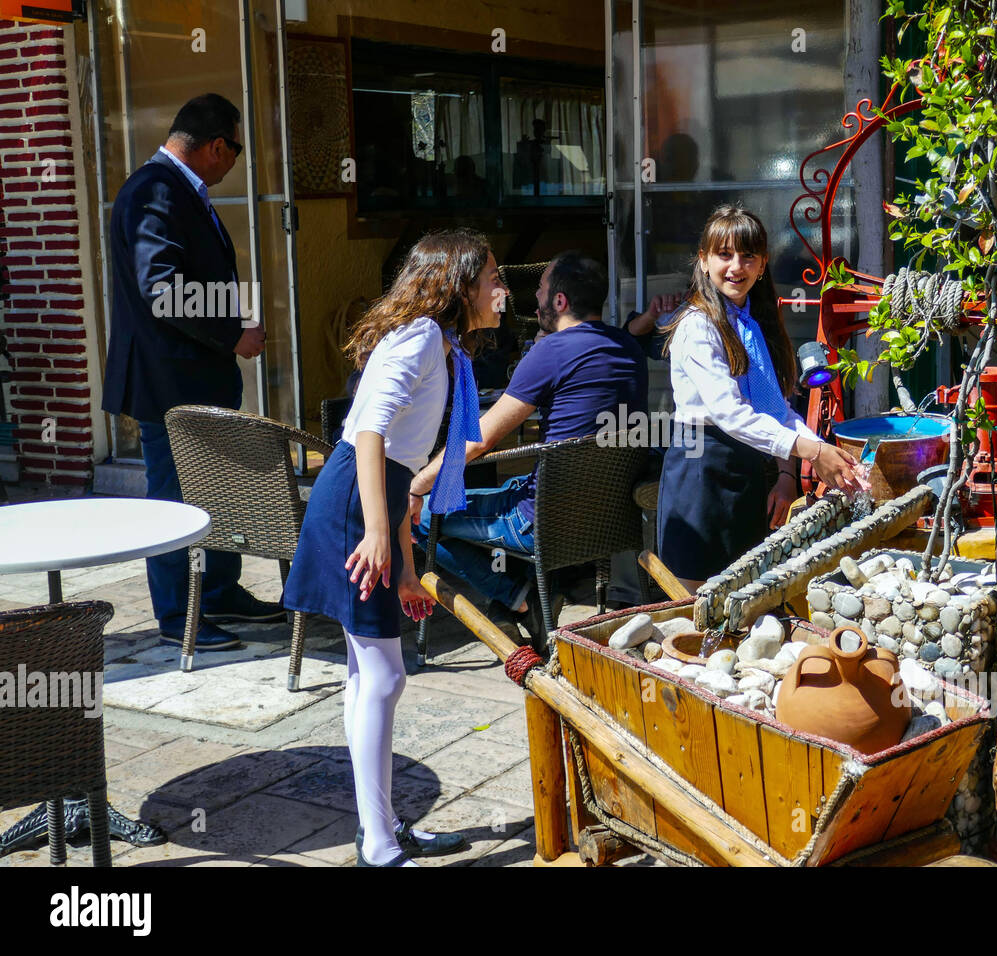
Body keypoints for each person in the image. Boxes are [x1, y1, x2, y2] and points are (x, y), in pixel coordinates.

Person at [284, 229, 500, 866]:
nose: (502, 288)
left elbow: (402, 468)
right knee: (383, 676)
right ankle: (377, 842)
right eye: (492, 276)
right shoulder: (423, 338)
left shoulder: (442, 344)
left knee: (367, 675)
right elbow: (371, 432)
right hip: (357, 500)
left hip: (370, 496)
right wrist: (379, 533)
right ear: (459, 284)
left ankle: (378, 827)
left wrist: (404, 565)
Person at [101, 93, 279, 651]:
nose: (235, 164)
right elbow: (163, 290)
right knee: (175, 501)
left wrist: (234, 320)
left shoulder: (178, 189)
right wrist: (233, 332)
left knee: (215, 491)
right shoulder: (155, 189)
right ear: (216, 146)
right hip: (170, 386)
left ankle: (221, 590)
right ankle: (179, 616)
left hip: (196, 379)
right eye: (236, 150)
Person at [412, 251, 648, 648]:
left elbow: (482, 437)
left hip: (542, 521)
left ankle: (518, 599)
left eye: (540, 289)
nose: (532, 297)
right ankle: (524, 595)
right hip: (609, 519)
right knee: (507, 488)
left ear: (559, 302)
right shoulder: (628, 348)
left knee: (418, 517)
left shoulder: (551, 352)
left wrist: (417, 485)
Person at [657, 205, 867, 592]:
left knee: (744, 599)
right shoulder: (697, 325)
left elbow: (774, 409)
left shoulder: (752, 321)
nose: (736, 266)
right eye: (724, 255)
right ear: (703, 261)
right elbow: (731, 414)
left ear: (762, 263)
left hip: (746, 470)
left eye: (748, 256)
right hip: (701, 472)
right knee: (694, 608)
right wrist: (812, 452)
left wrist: (796, 467)